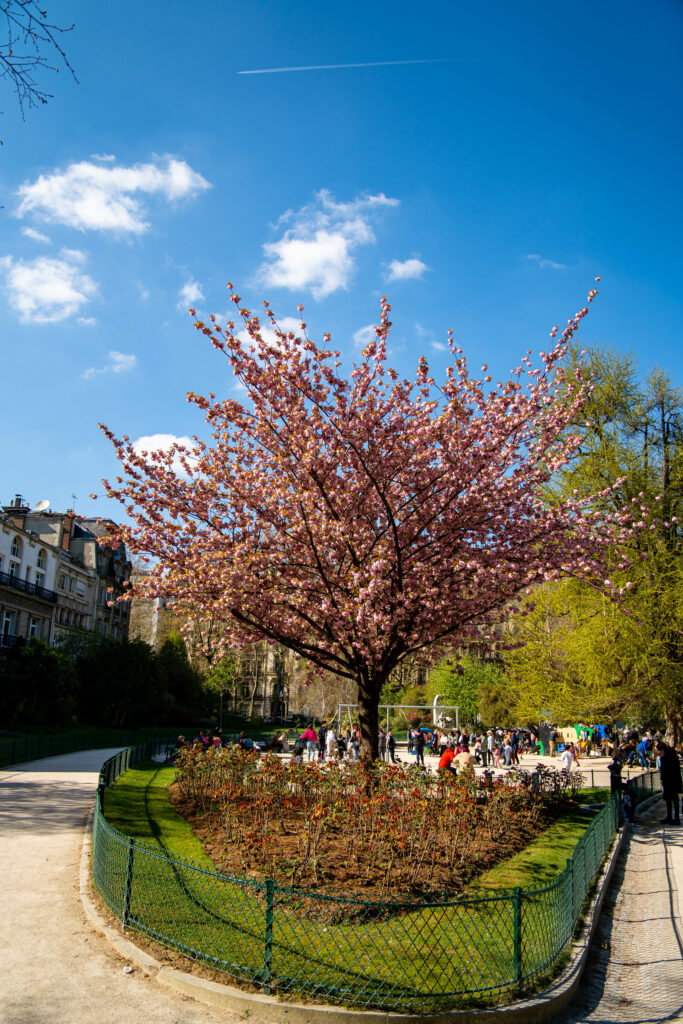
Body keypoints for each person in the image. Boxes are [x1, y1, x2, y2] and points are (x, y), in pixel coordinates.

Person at [654, 740, 682, 825]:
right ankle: (669, 816)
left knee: (674, 799)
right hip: (667, 781)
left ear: (663, 750)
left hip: (673, 781)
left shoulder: (671, 757)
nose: (659, 753)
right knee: (668, 799)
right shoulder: (665, 757)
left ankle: (676, 818)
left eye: (660, 751)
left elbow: (673, 770)